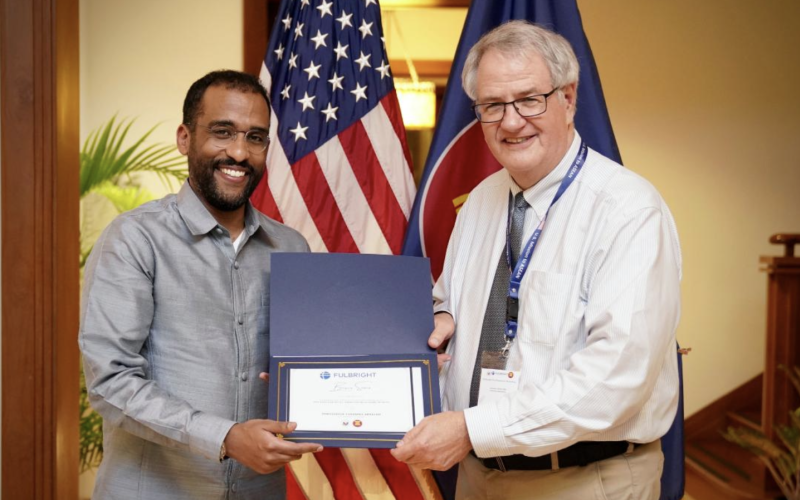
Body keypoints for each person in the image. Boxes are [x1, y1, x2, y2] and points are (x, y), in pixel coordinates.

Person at [391, 21, 681, 500]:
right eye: (492, 105)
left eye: (529, 99)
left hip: (585, 481)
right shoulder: (481, 201)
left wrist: (472, 429)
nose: (510, 121)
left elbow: (616, 377)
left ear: (568, 99)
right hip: (479, 477)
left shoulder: (628, 210)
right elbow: (448, 304)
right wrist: (439, 316)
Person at [79, 70, 322, 499]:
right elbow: (111, 380)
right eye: (222, 132)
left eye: (256, 138)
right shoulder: (135, 239)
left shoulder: (291, 248)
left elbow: (310, 364)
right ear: (185, 138)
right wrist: (224, 437)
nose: (239, 152)